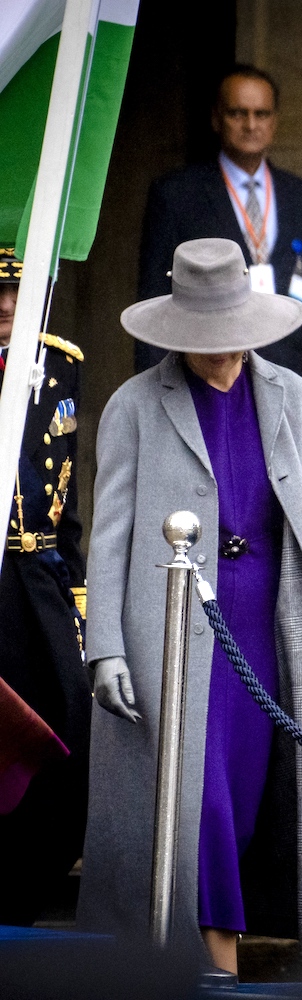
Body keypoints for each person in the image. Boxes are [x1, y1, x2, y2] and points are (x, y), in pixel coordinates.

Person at [78, 238, 302, 983]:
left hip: (264, 626)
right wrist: (103, 645)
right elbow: (107, 535)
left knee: (238, 793)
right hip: (163, 627)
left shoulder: (293, 396)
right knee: (200, 804)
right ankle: (214, 973)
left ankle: (198, 966)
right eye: (205, 344)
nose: (221, 357)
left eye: (232, 341)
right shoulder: (134, 404)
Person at [137, 64, 302, 454]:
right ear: (216, 118)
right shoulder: (177, 196)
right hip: (207, 390)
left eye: (261, 114)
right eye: (237, 113)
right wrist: (159, 407)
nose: (250, 124)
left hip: (288, 393)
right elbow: (155, 304)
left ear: (275, 121)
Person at [0, 248, 90, 925]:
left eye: (18, 290)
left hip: (39, 579)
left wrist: (78, 594)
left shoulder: (61, 364)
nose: (7, 305)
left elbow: (67, 499)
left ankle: (32, 876)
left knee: (65, 720)